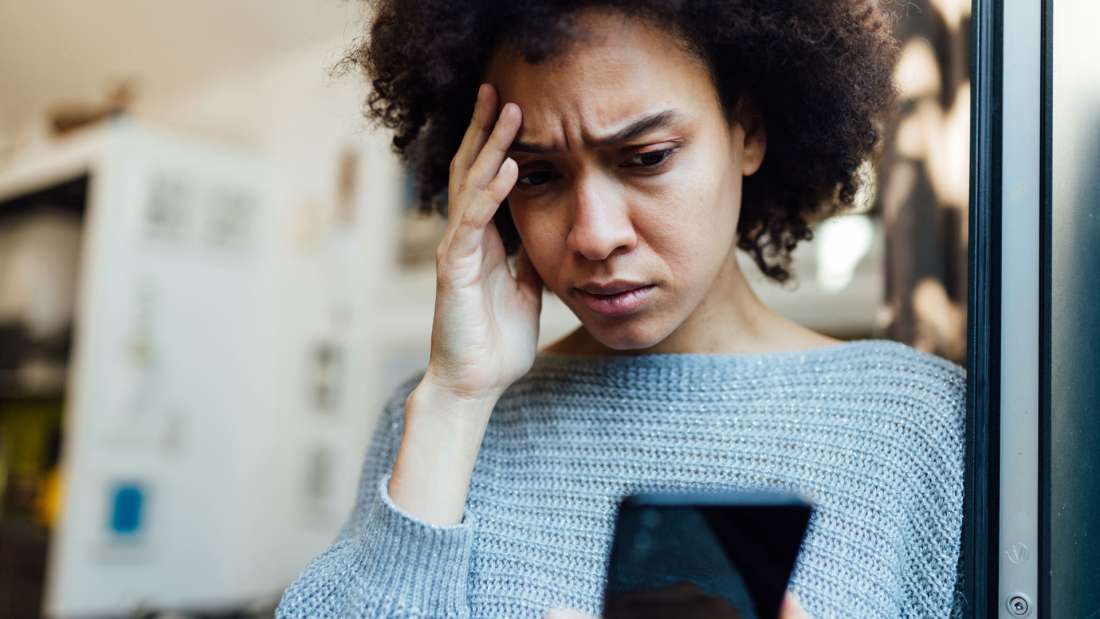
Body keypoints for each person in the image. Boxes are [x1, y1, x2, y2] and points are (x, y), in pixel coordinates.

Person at [277, 2, 966, 617]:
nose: (594, 234)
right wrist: (455, 402)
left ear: (749, 132)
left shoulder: (914, 421)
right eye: (538, 175)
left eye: (646, 157)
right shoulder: (437, 419)